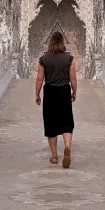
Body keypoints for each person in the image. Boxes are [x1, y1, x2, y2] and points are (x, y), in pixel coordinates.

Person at [35, 31, 76, 168]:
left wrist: (37, 94)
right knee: (66, 121)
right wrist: (74, 92)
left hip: (50, 92)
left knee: (51, 123)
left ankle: (54, 156)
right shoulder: (69, 58)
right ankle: (67, 148)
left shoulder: (44, 59)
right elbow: (73, 79)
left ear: (50, 42)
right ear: (62, 42)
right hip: (64, 90)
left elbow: (40, 79)